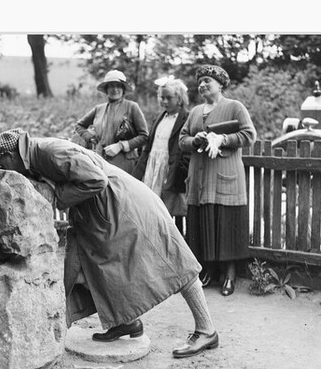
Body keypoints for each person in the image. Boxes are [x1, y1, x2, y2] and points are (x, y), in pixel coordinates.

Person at [0, 128, 219, 358]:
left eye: (3, 167)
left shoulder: (50, 152)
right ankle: (126, 322)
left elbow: (96, 179)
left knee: (173, 261)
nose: (7, 173)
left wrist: (57, 197)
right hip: (101, 211)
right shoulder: (33, 156)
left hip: (127, 206)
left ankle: (206, 330)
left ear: (10, 156)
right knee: (90, 266)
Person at [179, 64, 257, 295]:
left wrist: (222, 139)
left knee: (226, 226)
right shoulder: (194, 112)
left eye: (207, 81)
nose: (202, 85)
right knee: (203, 225)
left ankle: (230, 275)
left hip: (225, 178)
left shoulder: (234, 107)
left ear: (221, 84)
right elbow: (182, 139)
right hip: (200, 180)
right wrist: (196, 140)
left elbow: (249, 135)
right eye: (200, 81)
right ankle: (209, 271)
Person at [131, 77, 190, 235]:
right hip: (154, 166)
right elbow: (148, 148)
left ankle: (178, 241)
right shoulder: (159, 118)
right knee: (153, 207)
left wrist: (180, 171)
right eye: (161, 97)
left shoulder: (186, 118)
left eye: (169, 98)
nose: (164, 101)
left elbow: (185, 150)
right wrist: (137, 174)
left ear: (179, 98)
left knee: (173, 207)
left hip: (171, 169)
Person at [74, 69, 149, 175]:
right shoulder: (99, 109)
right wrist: (90, 138)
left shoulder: (132, 107)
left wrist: (121, 146)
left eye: (118, 86)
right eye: (111, 86)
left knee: (121, 190)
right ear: (106, 89)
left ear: (123, 89)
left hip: (124, 162)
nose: (115, 89)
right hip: (100, 160)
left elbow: (144, 136)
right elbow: (79, 125)